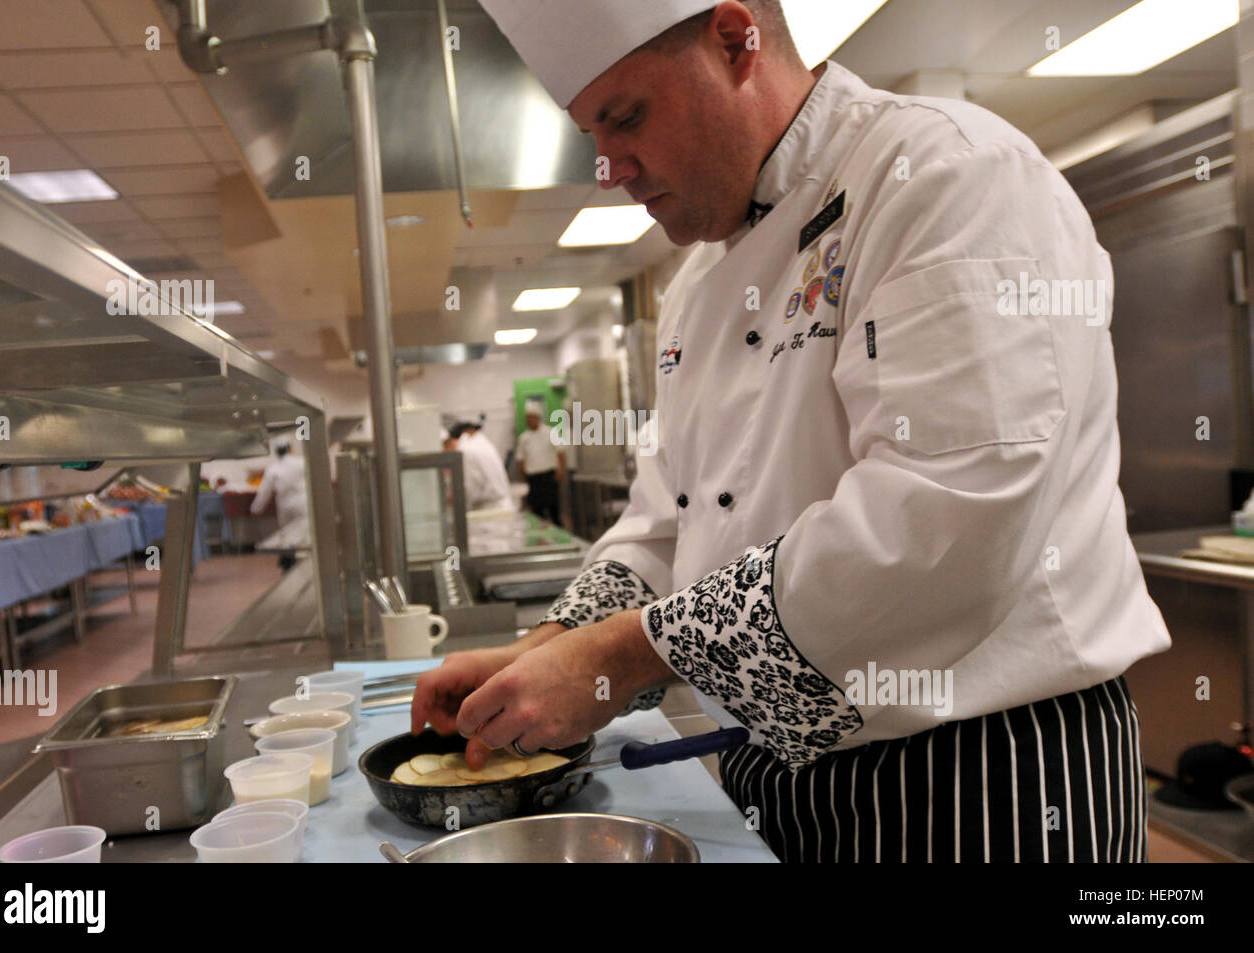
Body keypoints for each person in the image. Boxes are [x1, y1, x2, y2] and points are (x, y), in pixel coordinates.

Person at [412, 0, 1172, 863]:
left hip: (987, 777)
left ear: (737, 42)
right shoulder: (699, 287)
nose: (610, 168)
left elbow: (949, 525)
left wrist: (624, 657)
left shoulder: (946, 176)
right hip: (778, 769)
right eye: (593, 133)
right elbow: (668, 524)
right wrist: (548, 649)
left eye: (626, 118)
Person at [251, 441, 306, 571]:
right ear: (290, 449)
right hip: (303, 503)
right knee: (304, 535)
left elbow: (265, 491)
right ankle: (303, 566)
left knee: (288, 536)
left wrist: (256, 509)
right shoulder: (302, 462)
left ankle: (290, 565)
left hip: (285, 505)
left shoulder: (273, 468)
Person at [445, 423, 513, 511]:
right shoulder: (480, 444)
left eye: (446, 445)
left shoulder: (466, 451)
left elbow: (469, 486)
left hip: (489, 508)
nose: (446, 450)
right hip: (497, 505)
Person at [515, 408, 565, 525]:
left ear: (538, 418)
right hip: (533, 477)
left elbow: (560, 452)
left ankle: (560, 533)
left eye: (532, 418)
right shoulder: (524, 438)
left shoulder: (550, 432)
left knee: (553, 508)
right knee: (536, 509)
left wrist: (561, 470)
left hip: (549, 475)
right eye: (528, 418)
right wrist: (523, 479)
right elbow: (521, 459)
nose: (530, 420)